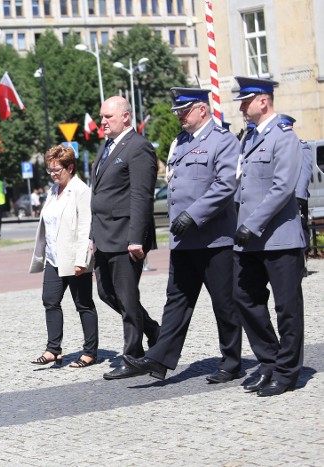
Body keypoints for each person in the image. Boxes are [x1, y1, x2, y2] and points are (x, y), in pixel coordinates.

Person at [123, 88, 243, 383]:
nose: (179, 115)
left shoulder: (223, 141)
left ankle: (231, 361)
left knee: (224, 303)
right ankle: (160, 359)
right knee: (176, 301)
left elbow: (225, 185)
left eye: (184, 110)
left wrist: (194, 214)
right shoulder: (180, 142)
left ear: (202, 109)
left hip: (214, 240)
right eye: (177, 110)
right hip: (183, 240)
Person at [231, 77, 306, 397]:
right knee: (244, 297)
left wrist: (253, 223)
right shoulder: (249, 139)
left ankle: (287, 371)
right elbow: (243, 188)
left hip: (280, 238)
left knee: (287, 307)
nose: (241, 108)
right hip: (249, 238)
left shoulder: (283, 137)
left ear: (263, 101)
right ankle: (269, 360)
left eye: (245, 102)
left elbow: (282, 188)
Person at [91, 96, 161, 380]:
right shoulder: (107, 147)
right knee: (106, 292)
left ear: (126, 117)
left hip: (125, 235)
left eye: (108, 117)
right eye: (101, 117)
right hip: (103, 234)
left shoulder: (139, 147)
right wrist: (91, 235)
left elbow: (141, 196)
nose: (102, 122)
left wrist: (136, 238)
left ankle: (133, 356)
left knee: (127, 296)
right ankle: (154, 330)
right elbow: (99, 194)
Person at [28, 145, 98, 368]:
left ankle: (90, 352)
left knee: (83, 304)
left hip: (73, 258)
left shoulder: (80, 190)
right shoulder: (52, 190)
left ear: (70, 167)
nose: (53, 174)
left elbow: (87, 226)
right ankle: (53, 350)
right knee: (50, 300)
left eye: (57, 170)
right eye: (50, 170)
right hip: (53, 258)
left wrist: (82, 259)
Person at [276, 114, 313, 265]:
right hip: (281, 195)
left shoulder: (300, 145)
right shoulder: (279, 146)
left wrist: (299, 197)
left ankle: (301, 261)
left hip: (296, 196)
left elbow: (304, 172)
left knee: (300, 228)